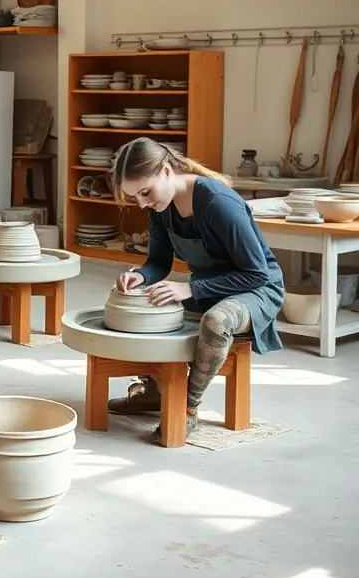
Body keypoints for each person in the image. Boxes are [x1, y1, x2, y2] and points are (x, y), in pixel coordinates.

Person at [107, 137, 284, 442]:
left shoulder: (218, 202)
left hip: (257, 289)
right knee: (144, 303)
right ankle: (153, 392)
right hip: (209, 289)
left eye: (145, 193)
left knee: (216, 322)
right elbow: (158, 262)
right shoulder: (160, 207)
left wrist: (190, 288)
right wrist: (141, 276)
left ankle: (187, 408)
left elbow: (255, 272)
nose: (142, 203)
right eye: (135, 197)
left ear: (165, 171)